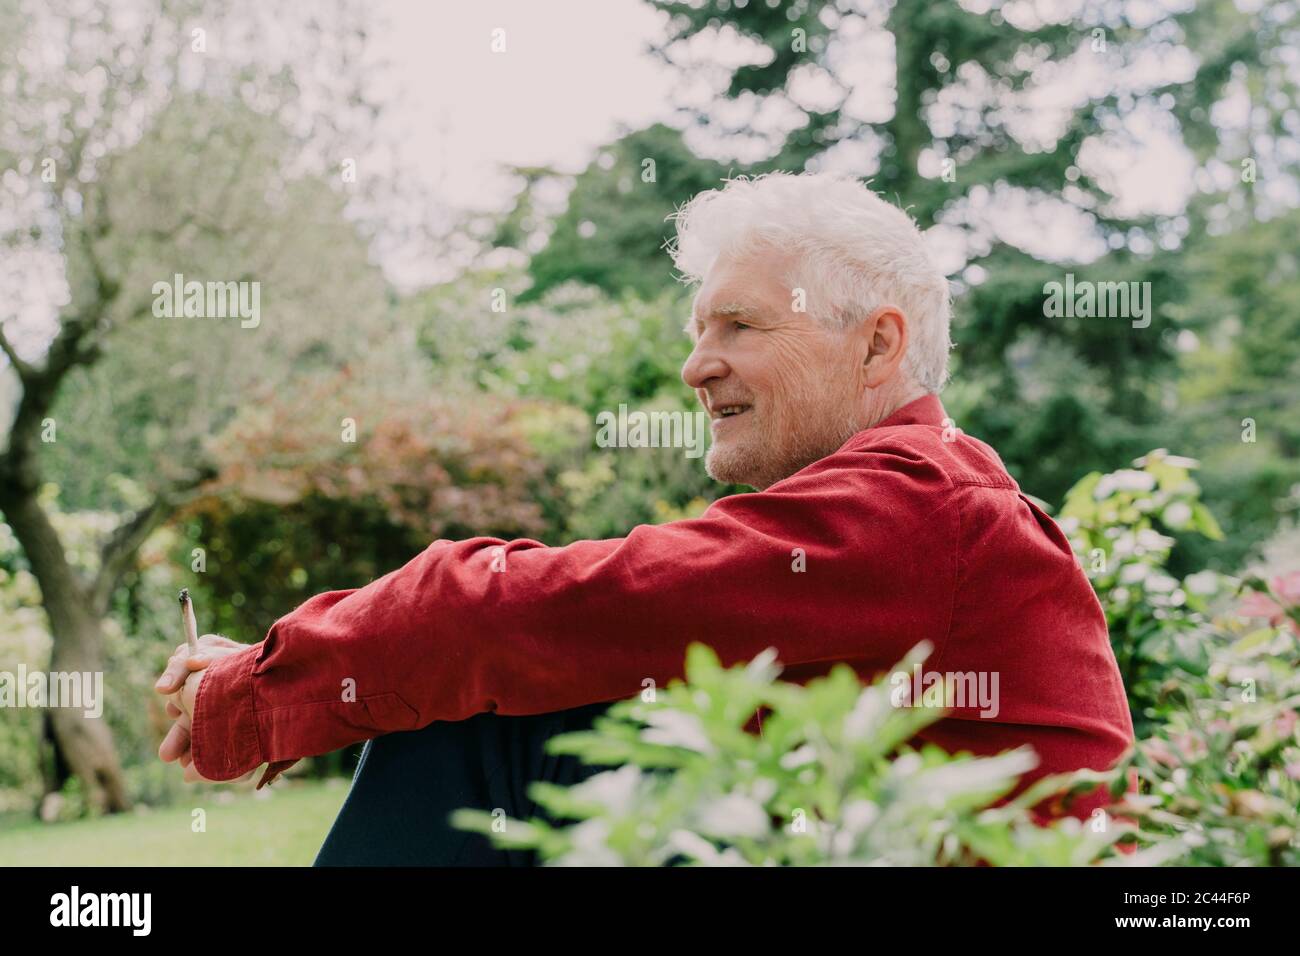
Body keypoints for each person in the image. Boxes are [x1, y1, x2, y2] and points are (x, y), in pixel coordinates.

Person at [154, 171, 1134, 865]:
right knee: (520, 708)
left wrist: (249, 694)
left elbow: (512, 613)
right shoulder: (922, 496)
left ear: (877, 345)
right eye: (697, 329)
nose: (694, 363)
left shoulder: (917, 501)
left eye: (739, 325)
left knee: (484, 725)